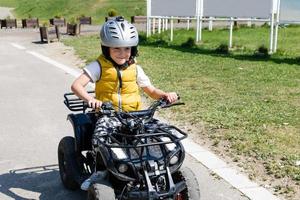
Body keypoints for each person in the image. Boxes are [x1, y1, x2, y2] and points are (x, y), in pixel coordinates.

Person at [70, 16, 178, 190]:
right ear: (106, 49)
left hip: (136, 114)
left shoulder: (136, 68)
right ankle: (100, 171)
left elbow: (150, 90)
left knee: (164, 135)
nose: (122, 53)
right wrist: (91, 100)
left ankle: (162, 168)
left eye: (127, 48)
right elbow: (76, 85)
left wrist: (165, 95)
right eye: (116, 49)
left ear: (133, 49)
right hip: (109, 115)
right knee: (101, 138)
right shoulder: (98, 66)